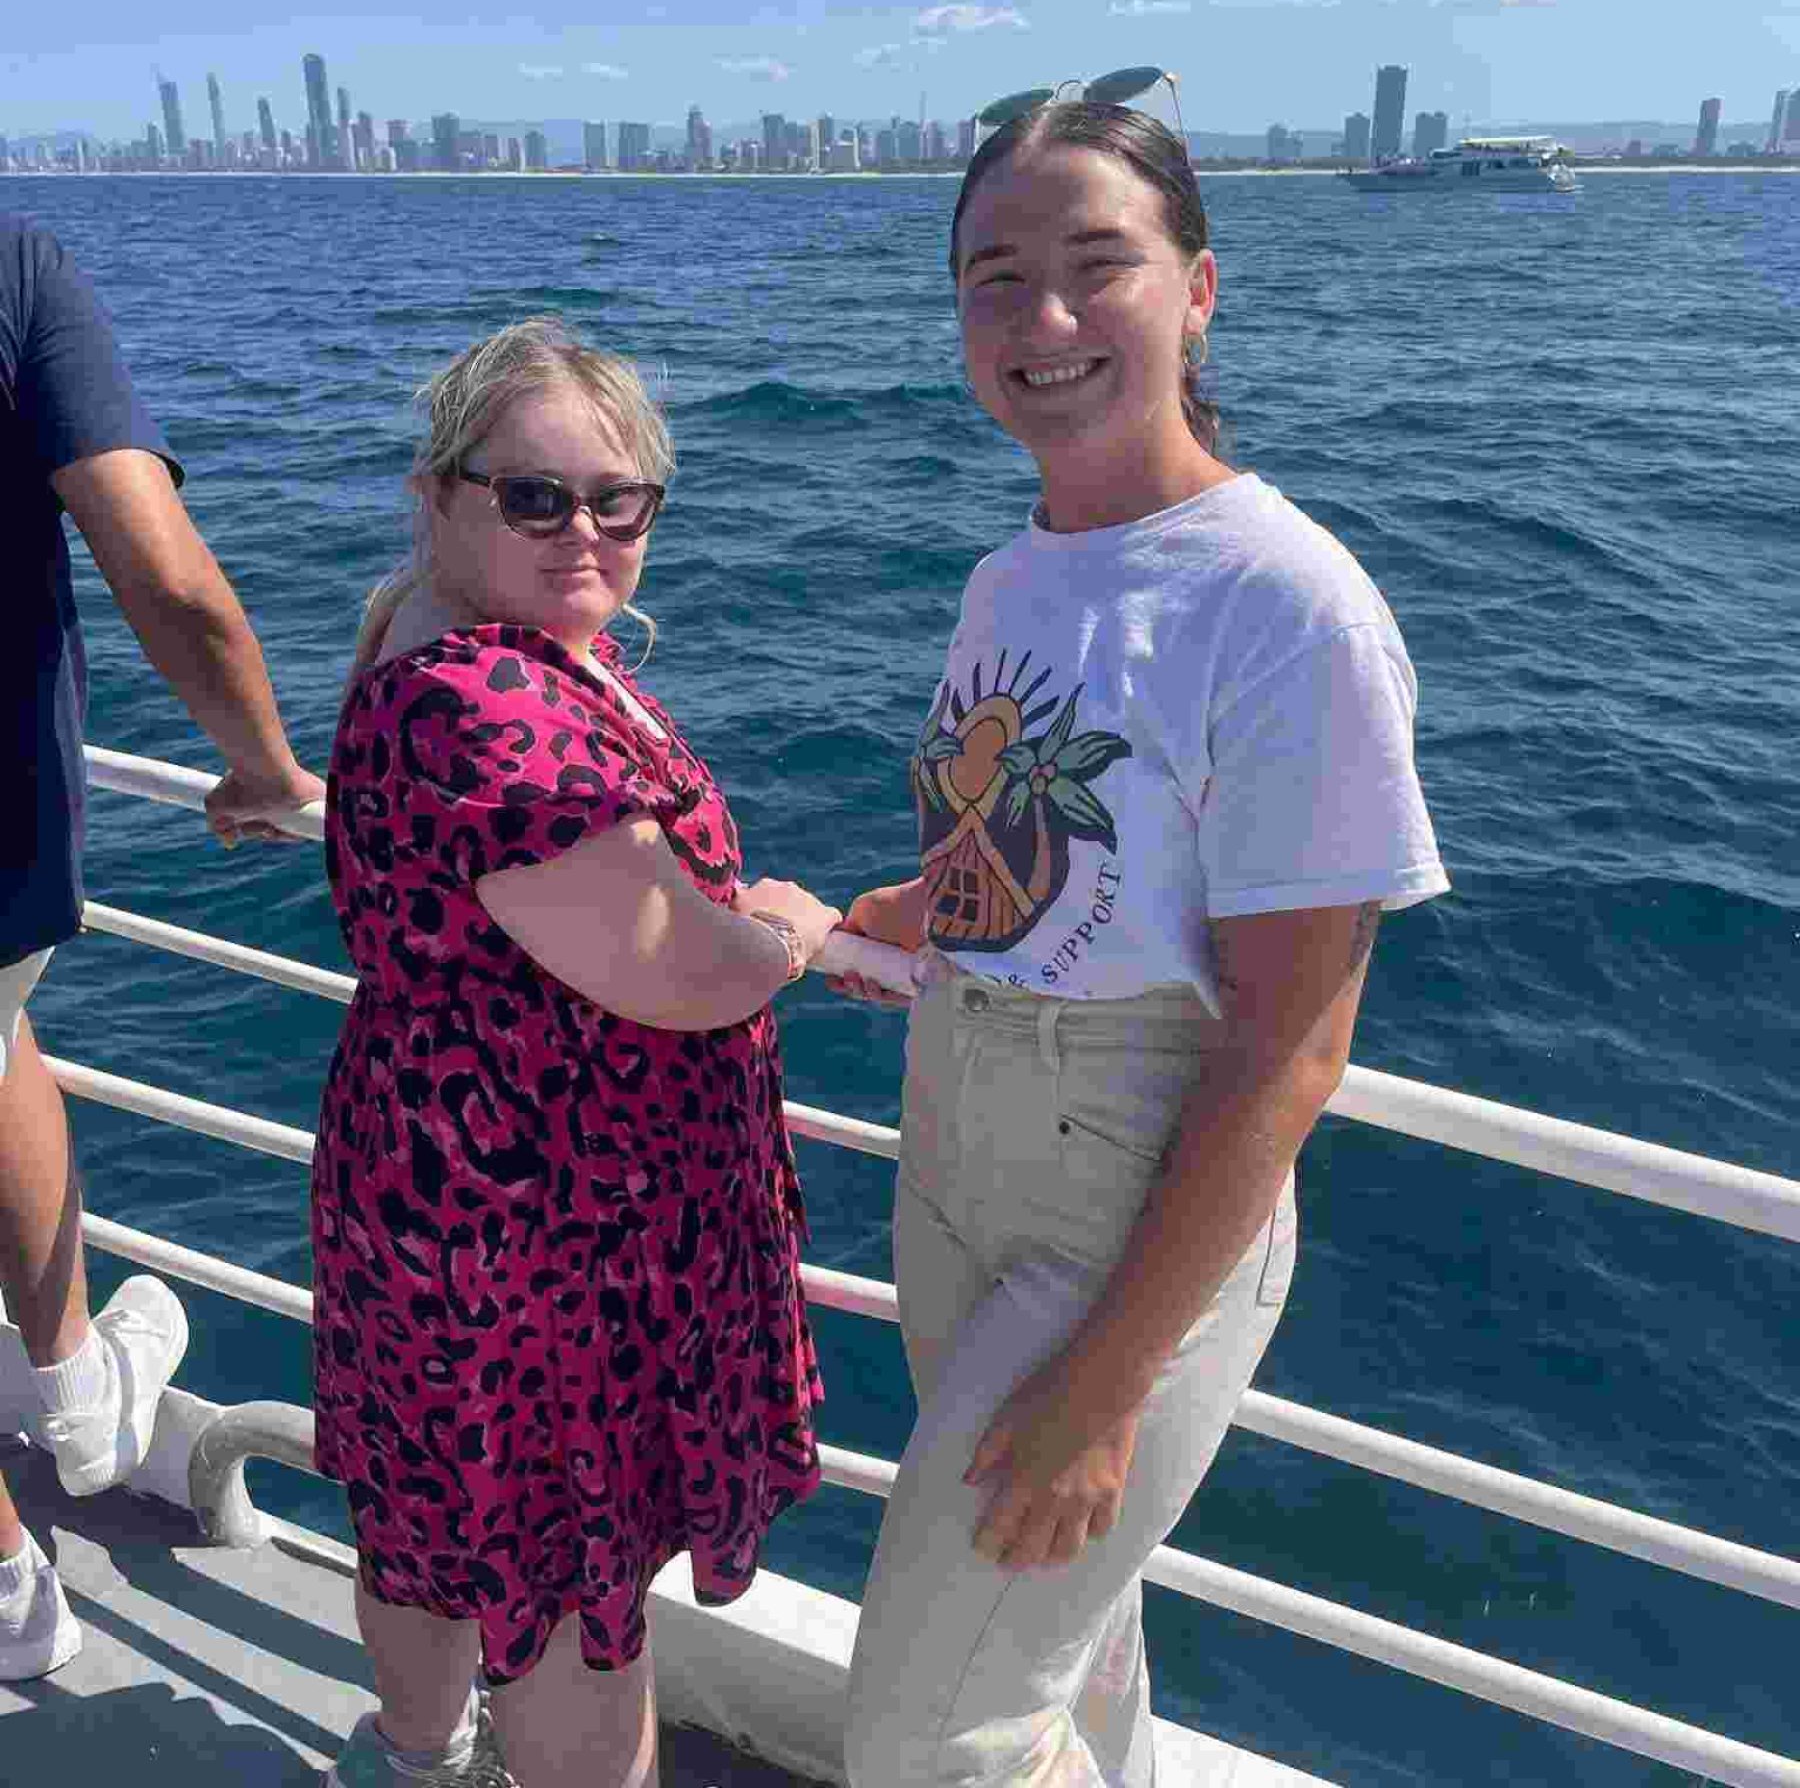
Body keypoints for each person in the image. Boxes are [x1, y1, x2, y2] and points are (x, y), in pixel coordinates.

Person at [833, 103, 1450, 1785]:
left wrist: (1110, 1383)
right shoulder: (1012, 577)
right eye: (995, 277)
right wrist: (874, 921)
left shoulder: (1283, 602)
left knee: (930, 1733)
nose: (1042, 318)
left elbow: (1291, 1045)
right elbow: (1027, 863)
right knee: (1068, 1643)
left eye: (1096, 264)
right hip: (953, 1150)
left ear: (1199, 289)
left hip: (1130, 1199)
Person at [313, 318, 839, 1788]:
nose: (584, 532)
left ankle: (410, 1761)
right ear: (439, 496)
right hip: (543, 1240)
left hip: (433, 1195)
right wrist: (792, 931)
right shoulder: (485, 702)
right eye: (535, 498)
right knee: (568, 1599)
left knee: (433, 1524)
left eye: (620, 500)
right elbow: (676, 972)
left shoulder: (431, 624)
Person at [0, 214, 323, 1682]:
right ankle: (16, 1586)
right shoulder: (15, 266)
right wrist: (263, 764)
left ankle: (73, 1391)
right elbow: (165, 574)